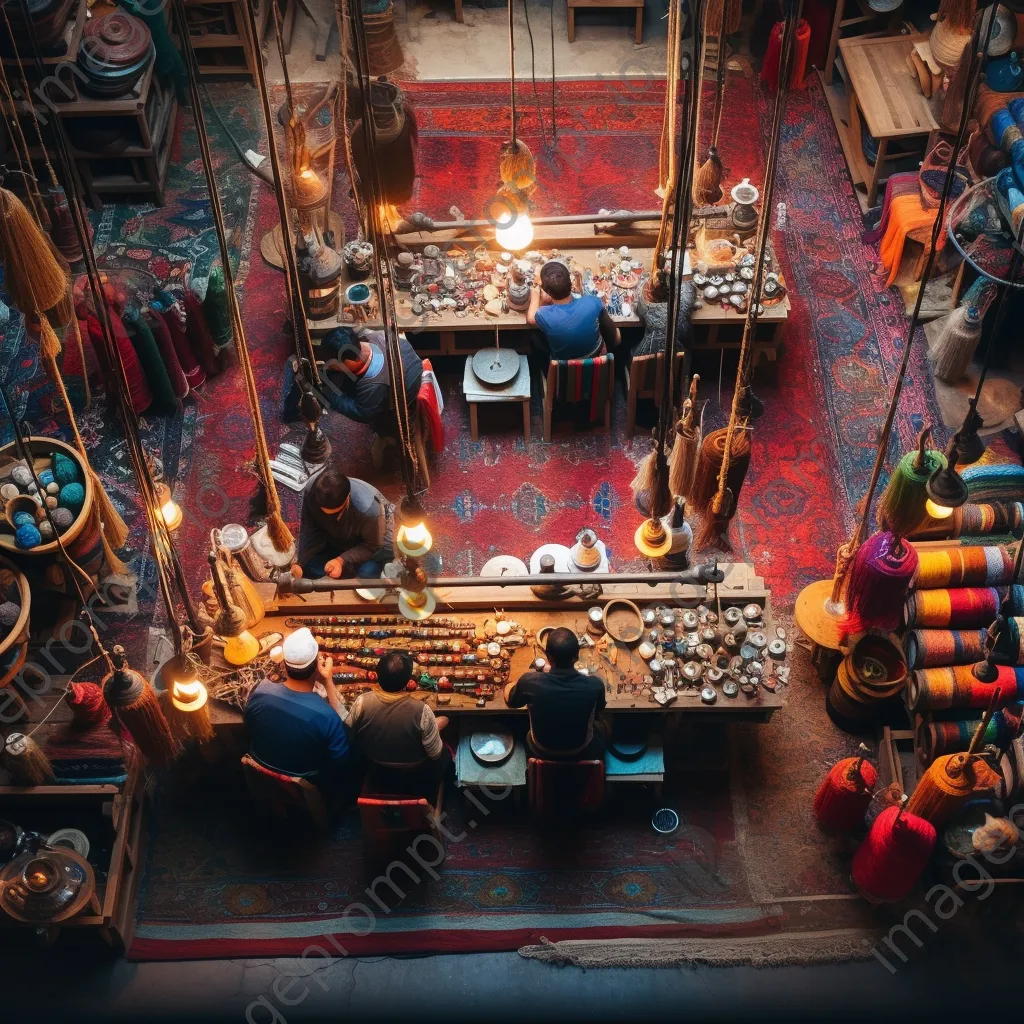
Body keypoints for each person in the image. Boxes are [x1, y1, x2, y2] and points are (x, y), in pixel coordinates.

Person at [244, 627, 355, 797]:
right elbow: (341, 762)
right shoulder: (327, 716)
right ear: (317, 666)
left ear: (283, 664)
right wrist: (327, 680)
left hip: (261, 765)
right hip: (305, 781)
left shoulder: (260, 692)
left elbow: (249, 726)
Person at [347, 651, 451, 800]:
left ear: (377, 676)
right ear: (408, 681)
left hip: (377, 768)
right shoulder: (421, 711)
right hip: (415, 774)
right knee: (445, 754)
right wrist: (436, 726)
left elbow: (350, 731)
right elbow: (435, 754)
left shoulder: (362, 702)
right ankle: (446, 795)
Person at [503, 627, 607, 760]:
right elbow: (599, 708)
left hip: (541, 750)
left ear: (547, 657)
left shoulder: (530, 682)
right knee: (606, 723)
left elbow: (510, 701)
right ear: (577, 656)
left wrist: (518, 682)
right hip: (581, 750)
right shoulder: (594, 685)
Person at [322, 326, 422, 439]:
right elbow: (354, 331)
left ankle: (391, 437)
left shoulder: (372, 386)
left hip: (405, 395)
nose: (329, 366)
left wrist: (330, 394)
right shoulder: (378, 336)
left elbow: (362, 413)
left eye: (332, 364)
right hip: (411, 364)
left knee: (384, 427)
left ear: (348, 362)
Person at [296, 467, 394, 579]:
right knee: (309, 567)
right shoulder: (313, 490)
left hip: (370, 542)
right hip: (338, 537)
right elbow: (309, 526)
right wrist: (299, 562)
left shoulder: (369, 512)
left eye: (333, 512)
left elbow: (372, 546)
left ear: (347, 498)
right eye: (323, 511)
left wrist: (341, 560)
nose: (326, 515)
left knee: (367, 574)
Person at [527, 260, 620, 362]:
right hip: (598, 366)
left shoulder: (544, 315)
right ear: (571, 283)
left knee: (533, 337)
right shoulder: (592, 302)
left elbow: (531, 318)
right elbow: (616, 338)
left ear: (545, 289)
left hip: (564, 372)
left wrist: (535, 295)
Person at [632, 270, 696, 358]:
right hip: (680, 364)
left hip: (643, 362)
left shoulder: (646, 309)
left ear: (650, 294)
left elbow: (639, 294)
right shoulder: (682, 305)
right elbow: (689, 286)